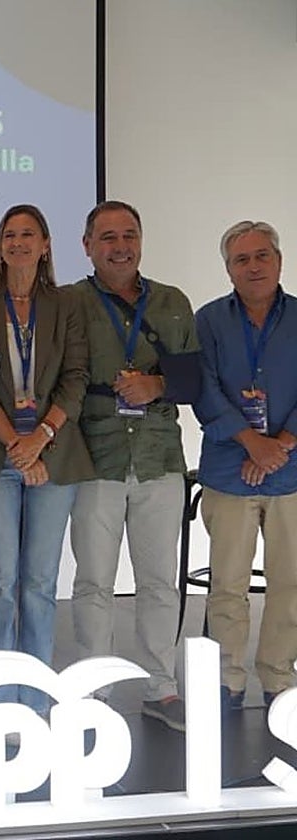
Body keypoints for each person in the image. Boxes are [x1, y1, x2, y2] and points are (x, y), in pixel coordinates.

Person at [68, 200, 199, 732]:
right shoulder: (70, 302)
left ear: (141, 241)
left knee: (157, 581)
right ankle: (93, 689)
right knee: (94, 580)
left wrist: (158, 385)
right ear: (88, 246)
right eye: (107, 237)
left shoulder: (171, 301)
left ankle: (160, 688)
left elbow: (193, 381)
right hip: (94, 454)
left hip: (158, 456)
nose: (119, 246)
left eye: (128, 235)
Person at [0, 204, 92, 715]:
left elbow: (77, 377)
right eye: (9, 234)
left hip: (53, 455)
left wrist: (39, 437)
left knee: (39, 582)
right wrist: (17, 443)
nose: (18, 242)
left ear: (45, 245)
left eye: (28, 234)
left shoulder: (66, 304)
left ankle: (37, 698)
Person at [194, 220, 297, 711]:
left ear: (278, 261)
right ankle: (226, 681)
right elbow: (204, 391)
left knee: (291, 585)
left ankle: (279, 677)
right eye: (241, 259)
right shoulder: (209, 320)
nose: (253, 266)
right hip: (229, 471)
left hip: (291, 471)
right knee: (227, 585)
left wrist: (278, 445)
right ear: (228, 268)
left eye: (262, 256)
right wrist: (251, 443)